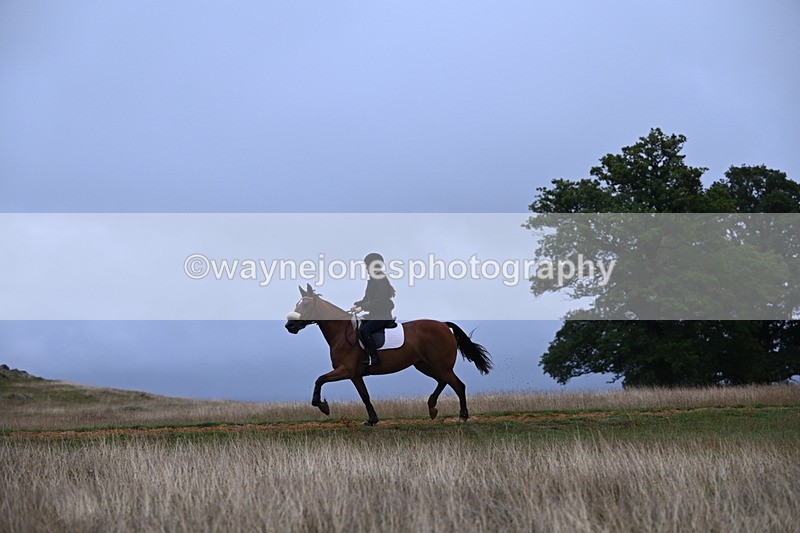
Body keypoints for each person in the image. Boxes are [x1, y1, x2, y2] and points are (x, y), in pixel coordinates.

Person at [351, 252, 396, 367]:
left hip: (383, 316)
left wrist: (362, 308)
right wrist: (358, 304)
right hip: (374, 315)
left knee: (364, 330)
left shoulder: (380, 281)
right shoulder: (372, 281)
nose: (366, 268)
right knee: (357, 326)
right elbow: (367, 299)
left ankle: (374, 358)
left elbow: (380, 301)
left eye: (367, 265)